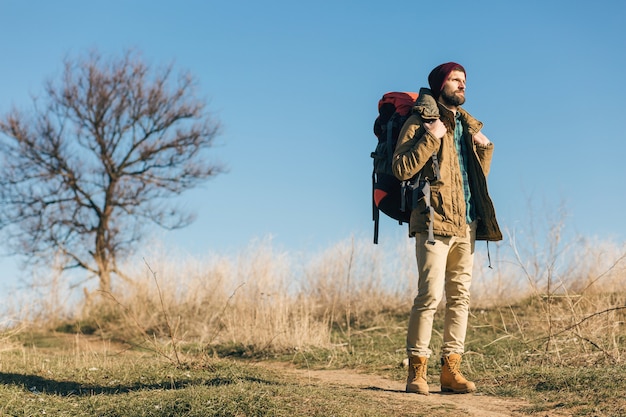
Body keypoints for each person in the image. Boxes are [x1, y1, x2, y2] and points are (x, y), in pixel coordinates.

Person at [392, 62, 502, 395]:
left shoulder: (466, 128)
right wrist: (430, 138)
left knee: (460, 299)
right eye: (455, 80)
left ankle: (450, 371)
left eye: (464, 81)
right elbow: (400, 168)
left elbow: (472, 180)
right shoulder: (419, 122)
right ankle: (417, 372)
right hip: (432, 222)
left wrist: (483, 148)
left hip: (466, 223)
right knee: (429, 296)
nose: (462, 85)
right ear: (440, 85)